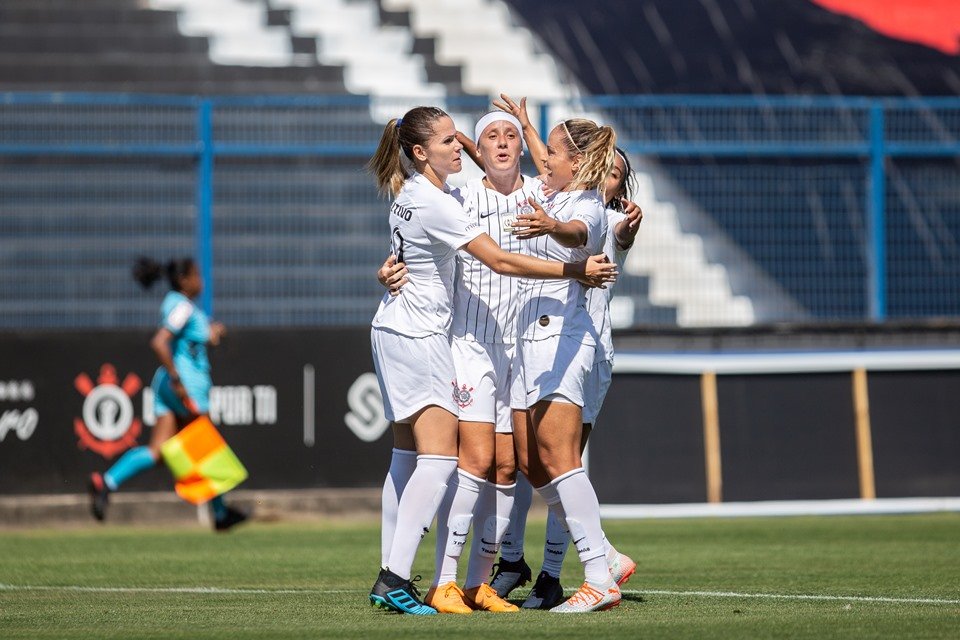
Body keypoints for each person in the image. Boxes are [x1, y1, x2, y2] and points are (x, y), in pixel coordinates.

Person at [365, 105, 617, 616]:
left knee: (510, 464)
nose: (498, 143)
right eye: (484, 137)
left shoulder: (540, 195)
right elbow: (495, 258)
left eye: (510, 136)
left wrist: (616, 217)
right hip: (462, 342)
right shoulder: (455, 195)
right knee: (466, 460)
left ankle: (478, 582)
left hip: (521, 347)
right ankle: (436, 580)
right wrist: (574, 269)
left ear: (526, 150)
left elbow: (584, 199)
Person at [88, 257, 247, 532]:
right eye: (198, 275)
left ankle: (107, 482)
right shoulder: (183, 307)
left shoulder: (179, 306)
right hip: (185, 386)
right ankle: (220, 514)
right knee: (205, 446)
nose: (202, 280)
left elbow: (189, 339)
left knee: (158, 452)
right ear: (184, 279)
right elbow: (160, 342)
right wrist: (178, 380)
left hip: (166, 386)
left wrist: (212, 333)